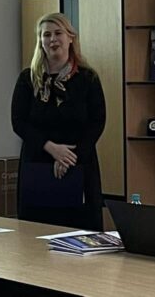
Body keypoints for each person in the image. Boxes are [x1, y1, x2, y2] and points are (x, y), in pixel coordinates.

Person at [11, 13, 106, 231]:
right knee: (35, 233)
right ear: (40, 41)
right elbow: (18, 122)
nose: (52, 39)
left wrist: (68, 157)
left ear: (70, 38)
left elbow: (97, 122)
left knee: (81, 234)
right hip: (38, 163)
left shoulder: (87, 78)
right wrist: (52, 149)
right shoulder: (28, 79)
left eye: (58, 33)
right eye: (46, 35)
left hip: (78, 162)